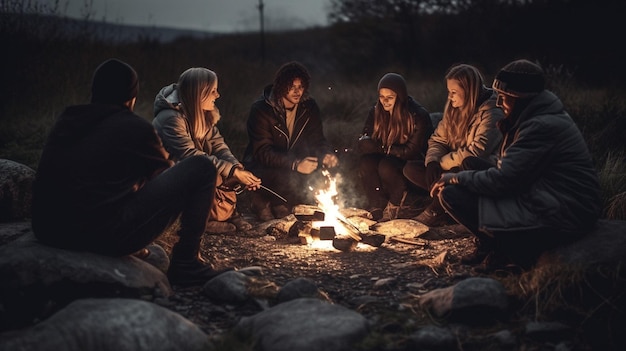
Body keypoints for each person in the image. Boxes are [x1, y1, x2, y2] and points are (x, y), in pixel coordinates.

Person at [31, 58, 231, 286]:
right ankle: (186, 262)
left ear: (95, 91)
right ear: (132, 96)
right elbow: (166, 184)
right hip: (101, 235)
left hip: (47, 229)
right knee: (202, 167)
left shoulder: (67, 118)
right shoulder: (135, 127)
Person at [430, 59, 602, 271]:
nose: (499, 103)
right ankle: (491, 244)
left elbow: (503, 181)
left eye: (503, 98)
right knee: (470, 164)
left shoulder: (540, 127)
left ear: (521, 99)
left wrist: (455, 177)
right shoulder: (529, 117)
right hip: (545, 194)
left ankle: (508, 250)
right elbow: (509, 169)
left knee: (451, 194)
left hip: (566, 210)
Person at [153, 67, 261, 233]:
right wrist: (232, 172)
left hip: (191, 170)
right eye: (213, 91)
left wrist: (236, 169)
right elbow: (190, 156)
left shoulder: (203, 114)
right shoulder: (170, 118)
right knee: (213, 173)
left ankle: (228, 213)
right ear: (199, 93)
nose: (217, 95)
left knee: (232, 168)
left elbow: (218, 146)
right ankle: (198, 220)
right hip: (166, 179)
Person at [404, 63, 504, 226]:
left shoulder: (493, 112)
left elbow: (477, 152)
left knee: (465, 166)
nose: (450, 97)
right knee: (411, 169)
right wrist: (433, 162)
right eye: (449, 92)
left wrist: (442, 164)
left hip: (479, 171)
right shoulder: (455, 108)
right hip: (452, 167)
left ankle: (436, 210)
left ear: (469, 90)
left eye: (454, 92)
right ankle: (447, 204)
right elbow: (438, 139)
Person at [243, 61, 339, 221]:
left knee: (319, 175)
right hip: (263, 166)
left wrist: (326, 154)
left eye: (301, 87)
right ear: (281, 86)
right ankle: (262, 202)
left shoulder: (308, 107)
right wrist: (295, 164)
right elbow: (262, 152)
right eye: (292, 86)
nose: (297, 91)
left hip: (294, 164)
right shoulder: (261, 109)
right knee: (283, 176)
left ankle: (282, 205)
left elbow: (317, 139)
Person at [357, 73, 433, 221]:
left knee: (386, 165)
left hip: (412, 166)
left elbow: (411, 152)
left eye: (390, 97)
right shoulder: (376, 111)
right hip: (388, 157)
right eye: (381, 96)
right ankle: (377, 205)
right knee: (366, 162)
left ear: (400, 96)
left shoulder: (417, 115)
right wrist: (364, 143)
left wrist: (382, 148)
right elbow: (365, 137)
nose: (384, 101)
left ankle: (397, 205)